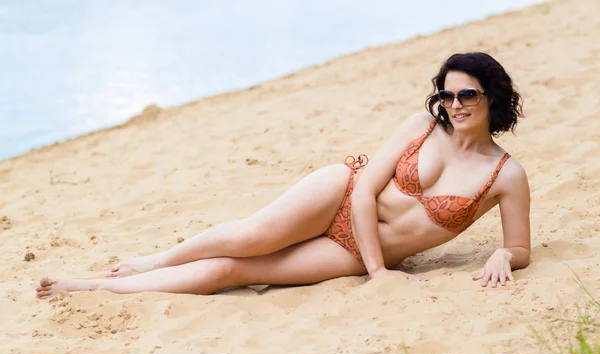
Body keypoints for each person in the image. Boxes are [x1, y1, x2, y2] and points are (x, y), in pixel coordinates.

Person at [36, 52, 531, 299]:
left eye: (467, 95)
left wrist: (502, 252)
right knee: (253, 236)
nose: (455, 105)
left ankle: (90, 287)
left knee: (237, 271)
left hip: (353, 251)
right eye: (447, 95)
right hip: (342, 193)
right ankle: (153, 260)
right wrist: (380, 274)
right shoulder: (422, 126)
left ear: (492, 95)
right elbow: (363, 191)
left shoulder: (506, 175)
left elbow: (523, 248)